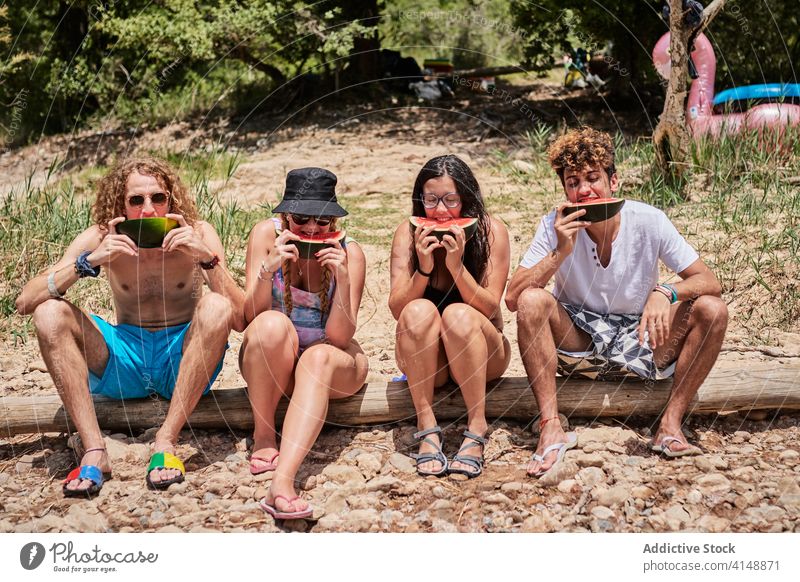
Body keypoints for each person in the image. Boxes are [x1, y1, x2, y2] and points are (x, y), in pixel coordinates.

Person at [505, 127, 728, 477]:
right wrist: (559, 252)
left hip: (642, 338)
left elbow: (710, 281)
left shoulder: (649, 220)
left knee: (712, 309)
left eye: (593, 178)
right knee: (534, 301)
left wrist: (665, 292)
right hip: (577, 341)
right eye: (573, 182)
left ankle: (670, 424)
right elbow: (514, 298)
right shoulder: (554, 224)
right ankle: (550, 426)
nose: (583, 190)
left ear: (614, 181)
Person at [15, 156, 245, 496]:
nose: (148, 209)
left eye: (158, 198)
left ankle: (166, 440)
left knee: (215, 304)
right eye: (136, 200)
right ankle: (95, 449)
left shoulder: (198, 232)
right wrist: (86, 263)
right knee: (49, 313)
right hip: (124, 357)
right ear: (120, 204)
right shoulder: (100, 236)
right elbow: (25, 302)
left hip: (182, 355)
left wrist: (205, 257)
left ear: (171, 199)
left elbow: (238, 317)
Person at [240, 167, 368, 520]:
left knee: (317, 359)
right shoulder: (265, 235)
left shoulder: (350, 252)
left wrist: (342, 279)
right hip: (273, 359)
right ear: (283, 216)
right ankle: (264, 437)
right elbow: (249, 318)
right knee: (271, 324)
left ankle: (283, 482)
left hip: (329, 362)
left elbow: (341, 337)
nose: (313, 228)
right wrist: (268, 270)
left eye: (324, 220)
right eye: (301, 218)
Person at [389, 155, 511, 478]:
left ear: (467, 199)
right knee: (418, 310)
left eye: (451, 200)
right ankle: (427, 425)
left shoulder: (491, 231)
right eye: (431, 200)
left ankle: (477, 425)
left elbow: (489, 307)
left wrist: (457, 268)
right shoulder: (407, 232)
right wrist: (424, 270)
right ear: (420, 199)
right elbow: (397, 309)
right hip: (430, 362)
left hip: (485, 354)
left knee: (457, 314)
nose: (441, 211)